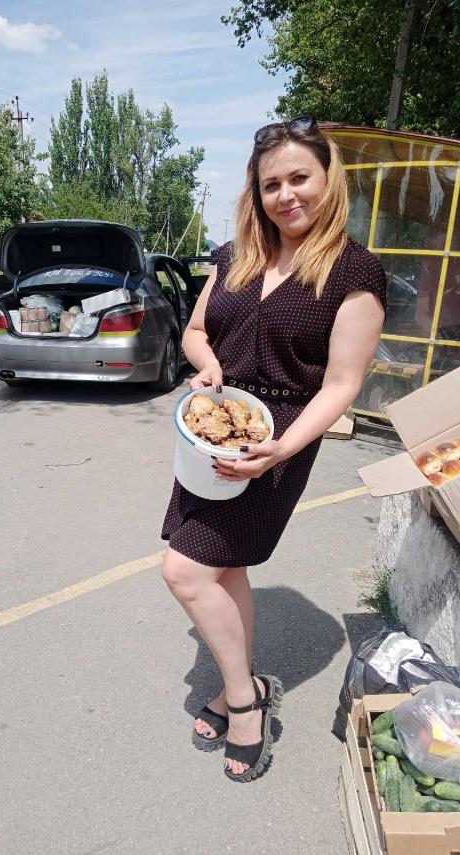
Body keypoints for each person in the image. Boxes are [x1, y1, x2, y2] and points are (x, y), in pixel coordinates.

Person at [161, 116, 386, 783]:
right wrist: (207, 365)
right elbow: (196, 331)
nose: (285, 195)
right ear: (255, 193)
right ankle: (243, 680)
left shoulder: (353, 271)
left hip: (275, 443)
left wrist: (280, 448)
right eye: (270, 184)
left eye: (298, 178)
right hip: (211, 431)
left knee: (185, 572)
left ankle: (246, 701)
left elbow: (341, 384)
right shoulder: (236, 255)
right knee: (223, 569)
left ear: (328, 179)